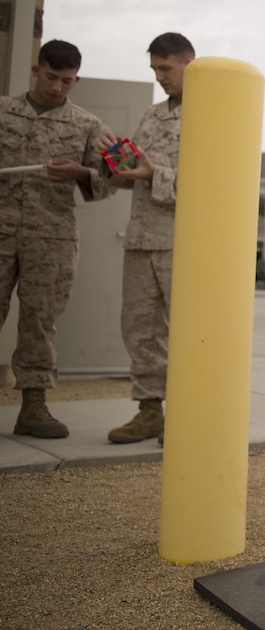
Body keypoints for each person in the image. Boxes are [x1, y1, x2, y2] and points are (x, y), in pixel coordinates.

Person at [0, 40, 114, 438]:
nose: (57, 88)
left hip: (51, 238)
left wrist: (81, 174)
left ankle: (33, 407)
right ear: (36, 71)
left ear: (76, 79)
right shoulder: (3, 112)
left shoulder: (88, 127)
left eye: (67, 81)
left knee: (40, 322)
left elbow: (114, 179)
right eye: (51, 78)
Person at [105, 32, 194, 445]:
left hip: (185, 242)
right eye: (155, 69)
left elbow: (212, 184)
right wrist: (111, 163)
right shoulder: (152, 117)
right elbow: (134, 170)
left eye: (166, 68)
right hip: (142, 238)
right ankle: (149, 412)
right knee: (140, 329)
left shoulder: (211, 114)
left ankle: (192, 414)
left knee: (189, 330)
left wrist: (151, 174)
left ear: (188, 64)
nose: (160, 77)